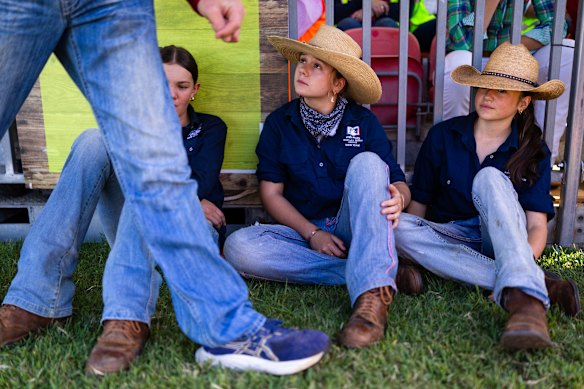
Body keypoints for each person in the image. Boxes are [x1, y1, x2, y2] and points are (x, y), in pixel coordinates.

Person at [0, 0, 329, 376]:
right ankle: (34, 298)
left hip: (109, 6)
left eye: (181, 85)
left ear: (194, 89)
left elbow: (196, 185)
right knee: (95, 140)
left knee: (147, 161)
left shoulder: (210, 127)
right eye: (164, 84)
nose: (171, 93)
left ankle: (132, 317)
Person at [224, 25, 423, 349]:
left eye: (317, 65)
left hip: (354, 226)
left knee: (371, 163)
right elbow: (271, 193)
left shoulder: (364, 123)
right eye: (303, 60)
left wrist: (399, 198)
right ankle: (382, 272)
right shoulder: (280, 123)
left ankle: (371, 298)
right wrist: (312, 234)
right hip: (303, 235)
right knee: (239, 248)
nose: (303, 69)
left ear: (338, 83)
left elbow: (398, 180)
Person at [395, 42, 580, 349]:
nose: (488, 95)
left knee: (491, 178)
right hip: (447, 236)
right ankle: (537, 285)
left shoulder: (534, 151)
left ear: (523, 102)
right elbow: (418, 206)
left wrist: (521, 258)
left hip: (501, 241)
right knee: (396, 227)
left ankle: (524, 298)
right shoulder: (443, 136)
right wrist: (409, 247)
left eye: (502, 91)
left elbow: (535, 226)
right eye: (484, 87)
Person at [442, 0, 575, 164]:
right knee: (458, 62)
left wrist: (509, 49)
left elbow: (557, 27)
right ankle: (454, 157)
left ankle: (538, 160)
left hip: (512, 59)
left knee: (568, 52)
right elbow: (463, 42)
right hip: (475, 57)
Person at [334, 0, 401, 31]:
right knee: (348, 24)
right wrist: (366, 2)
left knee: (388, 24)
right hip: (352, 20)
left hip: (386, 20)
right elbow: (335, 13)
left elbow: (405, 10)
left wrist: (371, 10)